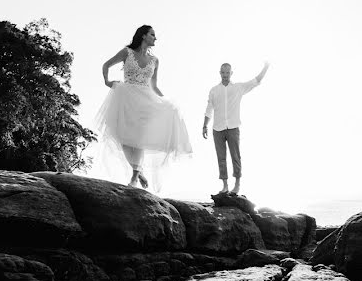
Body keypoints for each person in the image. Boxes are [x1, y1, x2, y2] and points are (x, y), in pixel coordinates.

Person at [94, 25, 192, 189]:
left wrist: (165, 102)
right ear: (143, 36)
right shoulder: (127, 52)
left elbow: (154, 86)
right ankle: (137, 170)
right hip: (125, 97)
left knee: (139, 138)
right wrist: (107, 82)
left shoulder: (155, 60)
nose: (155, 38)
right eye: (152, 34)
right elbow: (106, 65)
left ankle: (134, 177)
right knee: (123, 136)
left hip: (145, 100)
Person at [202, 61, 269, 194]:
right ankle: (225, 185)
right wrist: (204, 125)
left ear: (231, 73)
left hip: (233, 127)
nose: (225, 75)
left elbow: (256, 81)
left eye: (228, 72)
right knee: (221, 158)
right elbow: (209, 109)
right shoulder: (214, 90)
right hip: (217, 129)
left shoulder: (238, 88)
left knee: (235, 156)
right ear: (220, 73)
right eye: (223, 72)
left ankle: (237, 184)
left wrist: (265, 67)